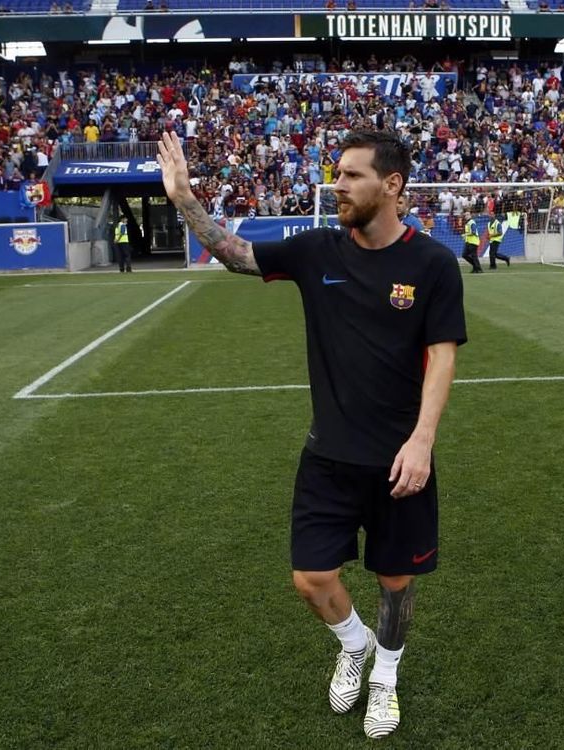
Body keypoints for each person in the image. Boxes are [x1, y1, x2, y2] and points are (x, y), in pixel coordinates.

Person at [157, 129, 467, 738]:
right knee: (311, 578)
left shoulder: (432, 263)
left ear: (392, 185)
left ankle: (386, 677)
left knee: (395, 583)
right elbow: (235, 252)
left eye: (352, 175)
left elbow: (444, 354)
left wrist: (423, 439)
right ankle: (353, 644)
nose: (339, 184)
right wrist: (183, 198)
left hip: (399, 461)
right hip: (327, 456)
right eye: (338, 173)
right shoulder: (318, 250)